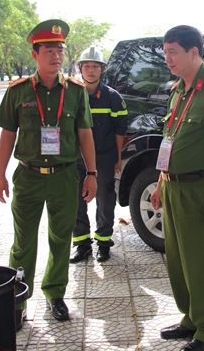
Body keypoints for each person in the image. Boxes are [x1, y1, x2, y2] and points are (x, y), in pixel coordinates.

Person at [0, 19, 98, 328]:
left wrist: (91, 173)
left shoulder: (77, 92)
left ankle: (55, 293)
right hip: (28, 176)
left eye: (60, 50)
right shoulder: (18, 91)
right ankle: (18, 300)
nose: (56, 56)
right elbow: (7, 135)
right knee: (23, 242)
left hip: (65, 175)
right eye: (49, 50)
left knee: (61, 238)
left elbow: (85, 135)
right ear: (35, 54)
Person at [150, 25, 204, 351]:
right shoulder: (178, 91)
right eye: (165, 52)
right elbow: (169, 142)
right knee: (177, 260)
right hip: (173, 188)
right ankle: (190, 318)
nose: (168, 58)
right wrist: (161, 183)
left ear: (194, 52)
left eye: (173, 51)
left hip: (201, 188)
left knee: (200, 262)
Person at [70, 46, 128, 263]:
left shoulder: (113, 98)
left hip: (103, 158)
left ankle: (103, 242)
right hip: (76, 159)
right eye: (87, 66)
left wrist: (118, 158)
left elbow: (120, 129)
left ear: (102, 69)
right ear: (81, 68)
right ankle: (82, 244)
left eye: (95, 66)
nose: (91, 70)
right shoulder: (72, 95)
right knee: (77, 201)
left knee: (105, 201)